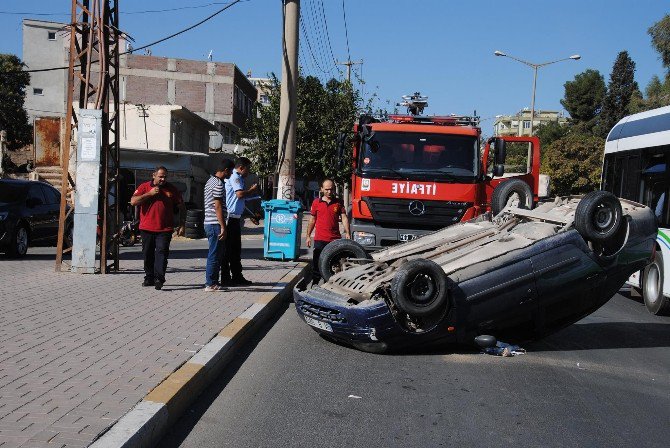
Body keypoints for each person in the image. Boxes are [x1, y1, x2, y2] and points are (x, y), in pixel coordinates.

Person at [130, 166, 185, 290]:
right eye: (160, 176)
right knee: (148, 254)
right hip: (146, 228)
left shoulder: (172, 189)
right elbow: (133, 201)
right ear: (153, 175)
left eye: (165, 176)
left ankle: (159, 278)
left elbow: (182, 206)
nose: (163, 179)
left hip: (165, 229)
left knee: (162, 253)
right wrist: (149, 194)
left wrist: (182, 224)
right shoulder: (144, 187)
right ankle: (149, 277)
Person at [305, 179, 351, 286]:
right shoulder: (316, 202)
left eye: (331, 189)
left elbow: (344, 218)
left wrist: (348, 232)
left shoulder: (339, 202)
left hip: (334, 240)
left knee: (332, 264)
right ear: (321, 189)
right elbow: (312, 220)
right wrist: (308, 236)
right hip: (320, 239)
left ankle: (328, 285)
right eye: (327, 190)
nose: (329, 192)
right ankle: (315, 284)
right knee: (317, 264)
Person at [221, 157, 258, 286]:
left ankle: (237, 276)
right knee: (228, 250)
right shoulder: (235, 177)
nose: (249, 172)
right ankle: (225, 278)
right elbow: (240, 195)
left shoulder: (239, 178)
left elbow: (240, 202)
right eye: (248, 168)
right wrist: (251, 191)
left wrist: (251, 215)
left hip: (236, 218)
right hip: (230, 219)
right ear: (241, 168)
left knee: (236, 250)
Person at [203, 159, 234, 291]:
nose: (231, 174)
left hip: (209, 222)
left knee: (215, 253)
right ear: (226, 170)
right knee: (215, 254)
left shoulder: (210, 181)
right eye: (231, 171)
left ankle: (212, 282)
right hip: (215, 223)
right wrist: (223, 226)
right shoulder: (218, 184)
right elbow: (217, 206)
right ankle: (211, 283)